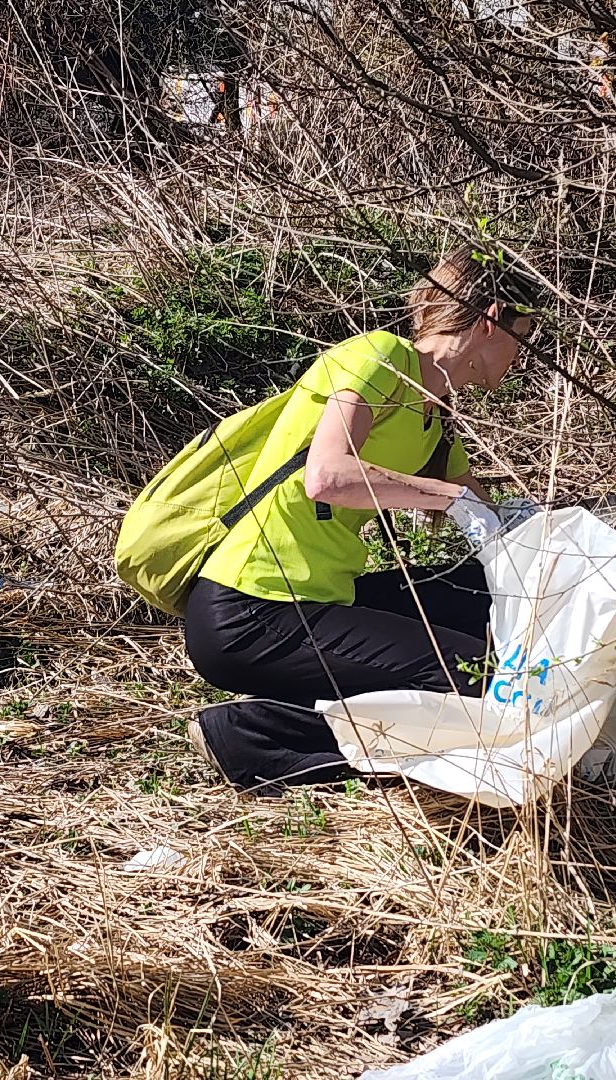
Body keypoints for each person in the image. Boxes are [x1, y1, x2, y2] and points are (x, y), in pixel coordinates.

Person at [182, 245, 540, 792]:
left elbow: (486, 514)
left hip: (327, 596)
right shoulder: (379, 358)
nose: (525, 352)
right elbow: (327, 475)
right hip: (251, 608)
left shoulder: (433, 415)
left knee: (482, 598)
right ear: (492, 321)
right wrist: (447, 498)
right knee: (477, 679)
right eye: (523, 333)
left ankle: (316, 699)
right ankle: (251, 734)